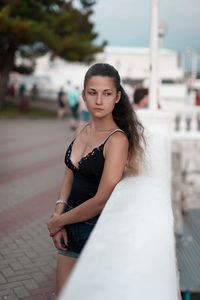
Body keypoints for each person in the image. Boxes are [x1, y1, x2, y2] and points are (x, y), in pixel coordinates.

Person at [47, 63, 145, 296]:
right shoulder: (82, 130)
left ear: (117, 97)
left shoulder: (117, 140)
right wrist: (59, 213)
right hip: (70, 221)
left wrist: (59, 222)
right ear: (83, 95)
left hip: (95, 230)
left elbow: (101, 200)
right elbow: (70, 171)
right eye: (92, 93)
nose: (99, 100)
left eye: (107, 93)